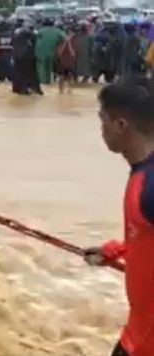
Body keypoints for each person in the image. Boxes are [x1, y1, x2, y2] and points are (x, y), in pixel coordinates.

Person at [85, 78, 154, 356]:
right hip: (138, 332)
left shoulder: (149, 187)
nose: (101, 131)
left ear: (121, 125)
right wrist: (115, 252)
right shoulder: (142, 174)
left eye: (103, 122)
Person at [35, 18, 65, 85]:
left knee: (41, 67)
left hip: (40, 52)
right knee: (49, 67)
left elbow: (35, 39)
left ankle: (43, 82)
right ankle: (48, 81)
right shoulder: (58, 31)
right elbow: (64, 39)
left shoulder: (40, 31)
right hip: (52, 52)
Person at [56, 28, 77, 94]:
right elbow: (59, 53)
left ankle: (69, 90)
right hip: (63, 63)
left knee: (70, 77)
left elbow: (73, 54)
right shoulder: (60, 42)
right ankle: (61, 91)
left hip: (69, 63)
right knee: (62, 77)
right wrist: (66, 43)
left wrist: (69, 43)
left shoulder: (74, 42)